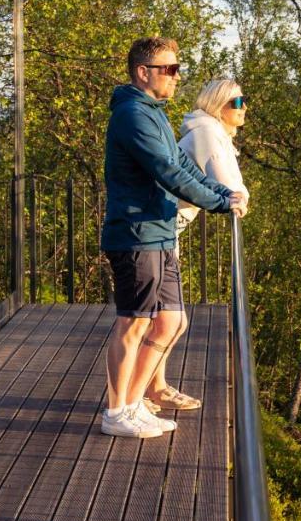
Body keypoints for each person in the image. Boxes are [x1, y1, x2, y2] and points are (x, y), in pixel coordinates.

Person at [100, 36, 248, 438]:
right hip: (137, 234)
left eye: (178, 68)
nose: (176, 76)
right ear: (143, 72)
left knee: (170, 320)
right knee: (133, 326)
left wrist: (222, 194)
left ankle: (134, 404)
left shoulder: (154, 113)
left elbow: (184, 164)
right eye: (169, 69)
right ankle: (116, 413)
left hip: (158, 232)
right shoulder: (132, 114)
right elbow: (168, 171)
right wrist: (219, 204)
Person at [143, 78, 250, 413]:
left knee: (162, 319)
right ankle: (139, 395)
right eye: (236, 102)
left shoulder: (208, 131)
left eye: (243, 101)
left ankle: (153, 389)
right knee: (163, 320)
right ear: (218, 104)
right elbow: (228, 184)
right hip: (158, 230)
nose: (243, 108)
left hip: (165, 230)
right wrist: (238, 198)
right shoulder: (206, 132)